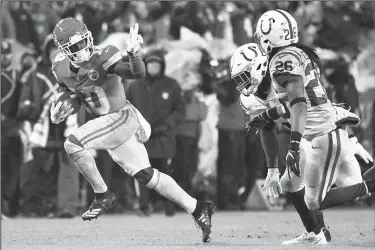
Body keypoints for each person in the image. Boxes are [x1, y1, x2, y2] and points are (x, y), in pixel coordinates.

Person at [50, 18, 214, 242]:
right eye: (75, 46)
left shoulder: (103, 55)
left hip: (120, 117)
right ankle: (198, 208)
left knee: (73, 143)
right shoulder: (59, 66)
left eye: (83, 41)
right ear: (64, 50)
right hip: (108, 124)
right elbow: (70, 91)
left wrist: (134, 55)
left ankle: (102, 194)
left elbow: (136, 73)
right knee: (147, 175)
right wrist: (63, 105)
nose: (82, 48)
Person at [230, 39, 374, 246]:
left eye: (244, 76)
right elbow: (268, 127)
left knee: (353, 189)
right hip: (304, 136)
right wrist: (271, 170)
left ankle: (321, 224)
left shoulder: (284, 74)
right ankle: (317, 231)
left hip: (327, 131)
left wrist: (352, 138)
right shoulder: (253, 97)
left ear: (259, 66)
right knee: (291, 182)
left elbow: (316, 106)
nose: (242, 84)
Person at [127, 49, 185, 216]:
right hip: (141, 138)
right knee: (142, 172)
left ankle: (169, 207)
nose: (153, 66)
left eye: (157, 63)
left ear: (162, 66)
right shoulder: (135, 86)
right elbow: (126, 108)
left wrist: (166, 126)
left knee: (164, 173)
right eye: (150, 63)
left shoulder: (172, 85)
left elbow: (180, 110)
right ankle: (144, 207)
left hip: (163, 138)